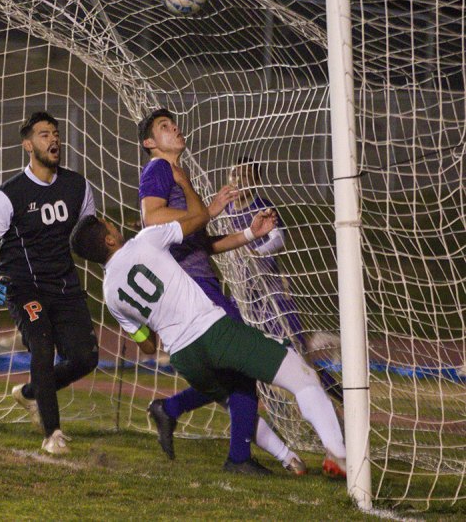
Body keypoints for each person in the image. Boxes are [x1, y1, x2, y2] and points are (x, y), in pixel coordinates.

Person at [69, 207, 347, 478]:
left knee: (240, 395)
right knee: (303, 376)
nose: (115, 226)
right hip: (213, 332)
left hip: (185, 357)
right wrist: (244, 227)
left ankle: (281, 459)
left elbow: (148, 346)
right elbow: (197, 220)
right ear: (108, 239)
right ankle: (340, 456)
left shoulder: (110, 294)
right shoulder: (147, 239)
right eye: (109, 225)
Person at [137, 109, 306, 475]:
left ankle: (172, 410)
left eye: (174, 123)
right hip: (192, 291)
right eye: (164, 127)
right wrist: (209, 209)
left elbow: (203, 244)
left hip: (202, 284)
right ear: (150, 142)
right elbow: (152, 218)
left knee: (233, 376)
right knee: (244, 365)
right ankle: (238, 457)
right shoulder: (159, 170)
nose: (175, 128)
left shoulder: (180, 176)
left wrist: (250, 235)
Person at [0, 111, 99, 455]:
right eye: (44, 134)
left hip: (65, 286)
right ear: (28, 144)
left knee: (86, 358)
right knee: (42, 348)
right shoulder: (6, 194)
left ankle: (30, 393)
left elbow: (87, 237)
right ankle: (53, 433)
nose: (54, 140)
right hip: (25, 287)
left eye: (56, 133)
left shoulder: (78, 187)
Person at [226, 157, 343, 403]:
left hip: (271, 293)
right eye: (234, 174)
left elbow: (279, 239)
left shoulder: (263, 207)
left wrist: (257, 252)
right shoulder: (225, 208)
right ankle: (268, 406)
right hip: (242, 294)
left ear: (256, 182)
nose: (237, 180)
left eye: (245, 176)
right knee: (242, 353)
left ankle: (337, 394)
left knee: (296, 354)